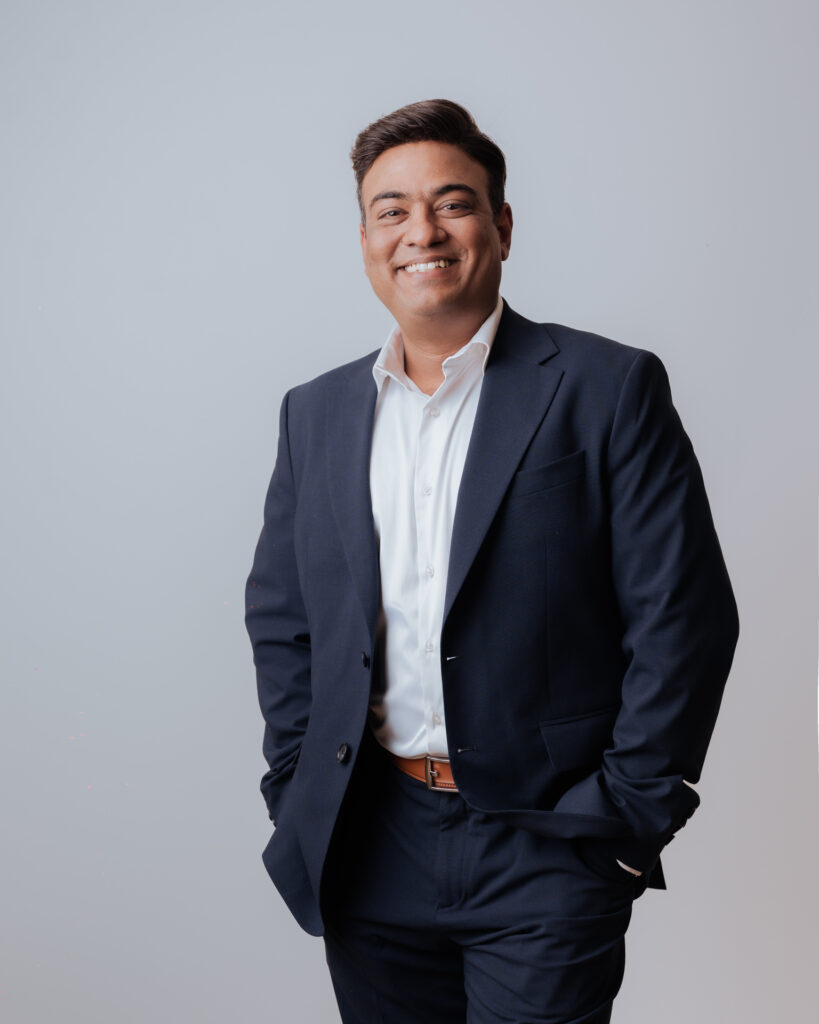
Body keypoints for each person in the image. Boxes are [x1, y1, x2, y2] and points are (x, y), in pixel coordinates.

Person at [245, 99, 739, 1024]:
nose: (421, 232)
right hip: (370, 837)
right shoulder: (314, 414)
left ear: (501, 227)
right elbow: (284, 619)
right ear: (365, 241)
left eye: (452, 203)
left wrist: (625, 818)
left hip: (547, 840)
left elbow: (682, 618)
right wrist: (295, 786)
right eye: (391, 211)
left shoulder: (605, 387)